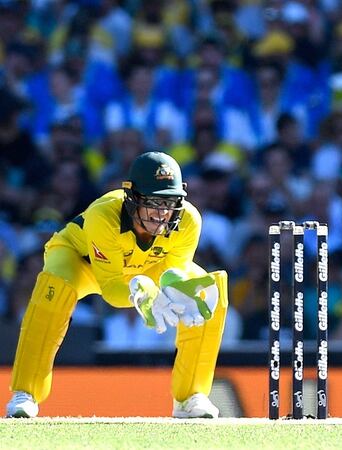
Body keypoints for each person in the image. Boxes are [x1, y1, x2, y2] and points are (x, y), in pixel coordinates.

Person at [6, 152, 229, 419]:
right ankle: (26, 392)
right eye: (153, 202)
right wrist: (140, 292)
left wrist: (175, 290)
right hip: (82, 261)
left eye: (169, 202)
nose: (161, 213)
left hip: (146, 266)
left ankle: (190, 396)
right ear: (132, 198)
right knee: (53, 291)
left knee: (206, 293)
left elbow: (173, 273)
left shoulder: (189, 220)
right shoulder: (104, 214)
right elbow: (111, 288)